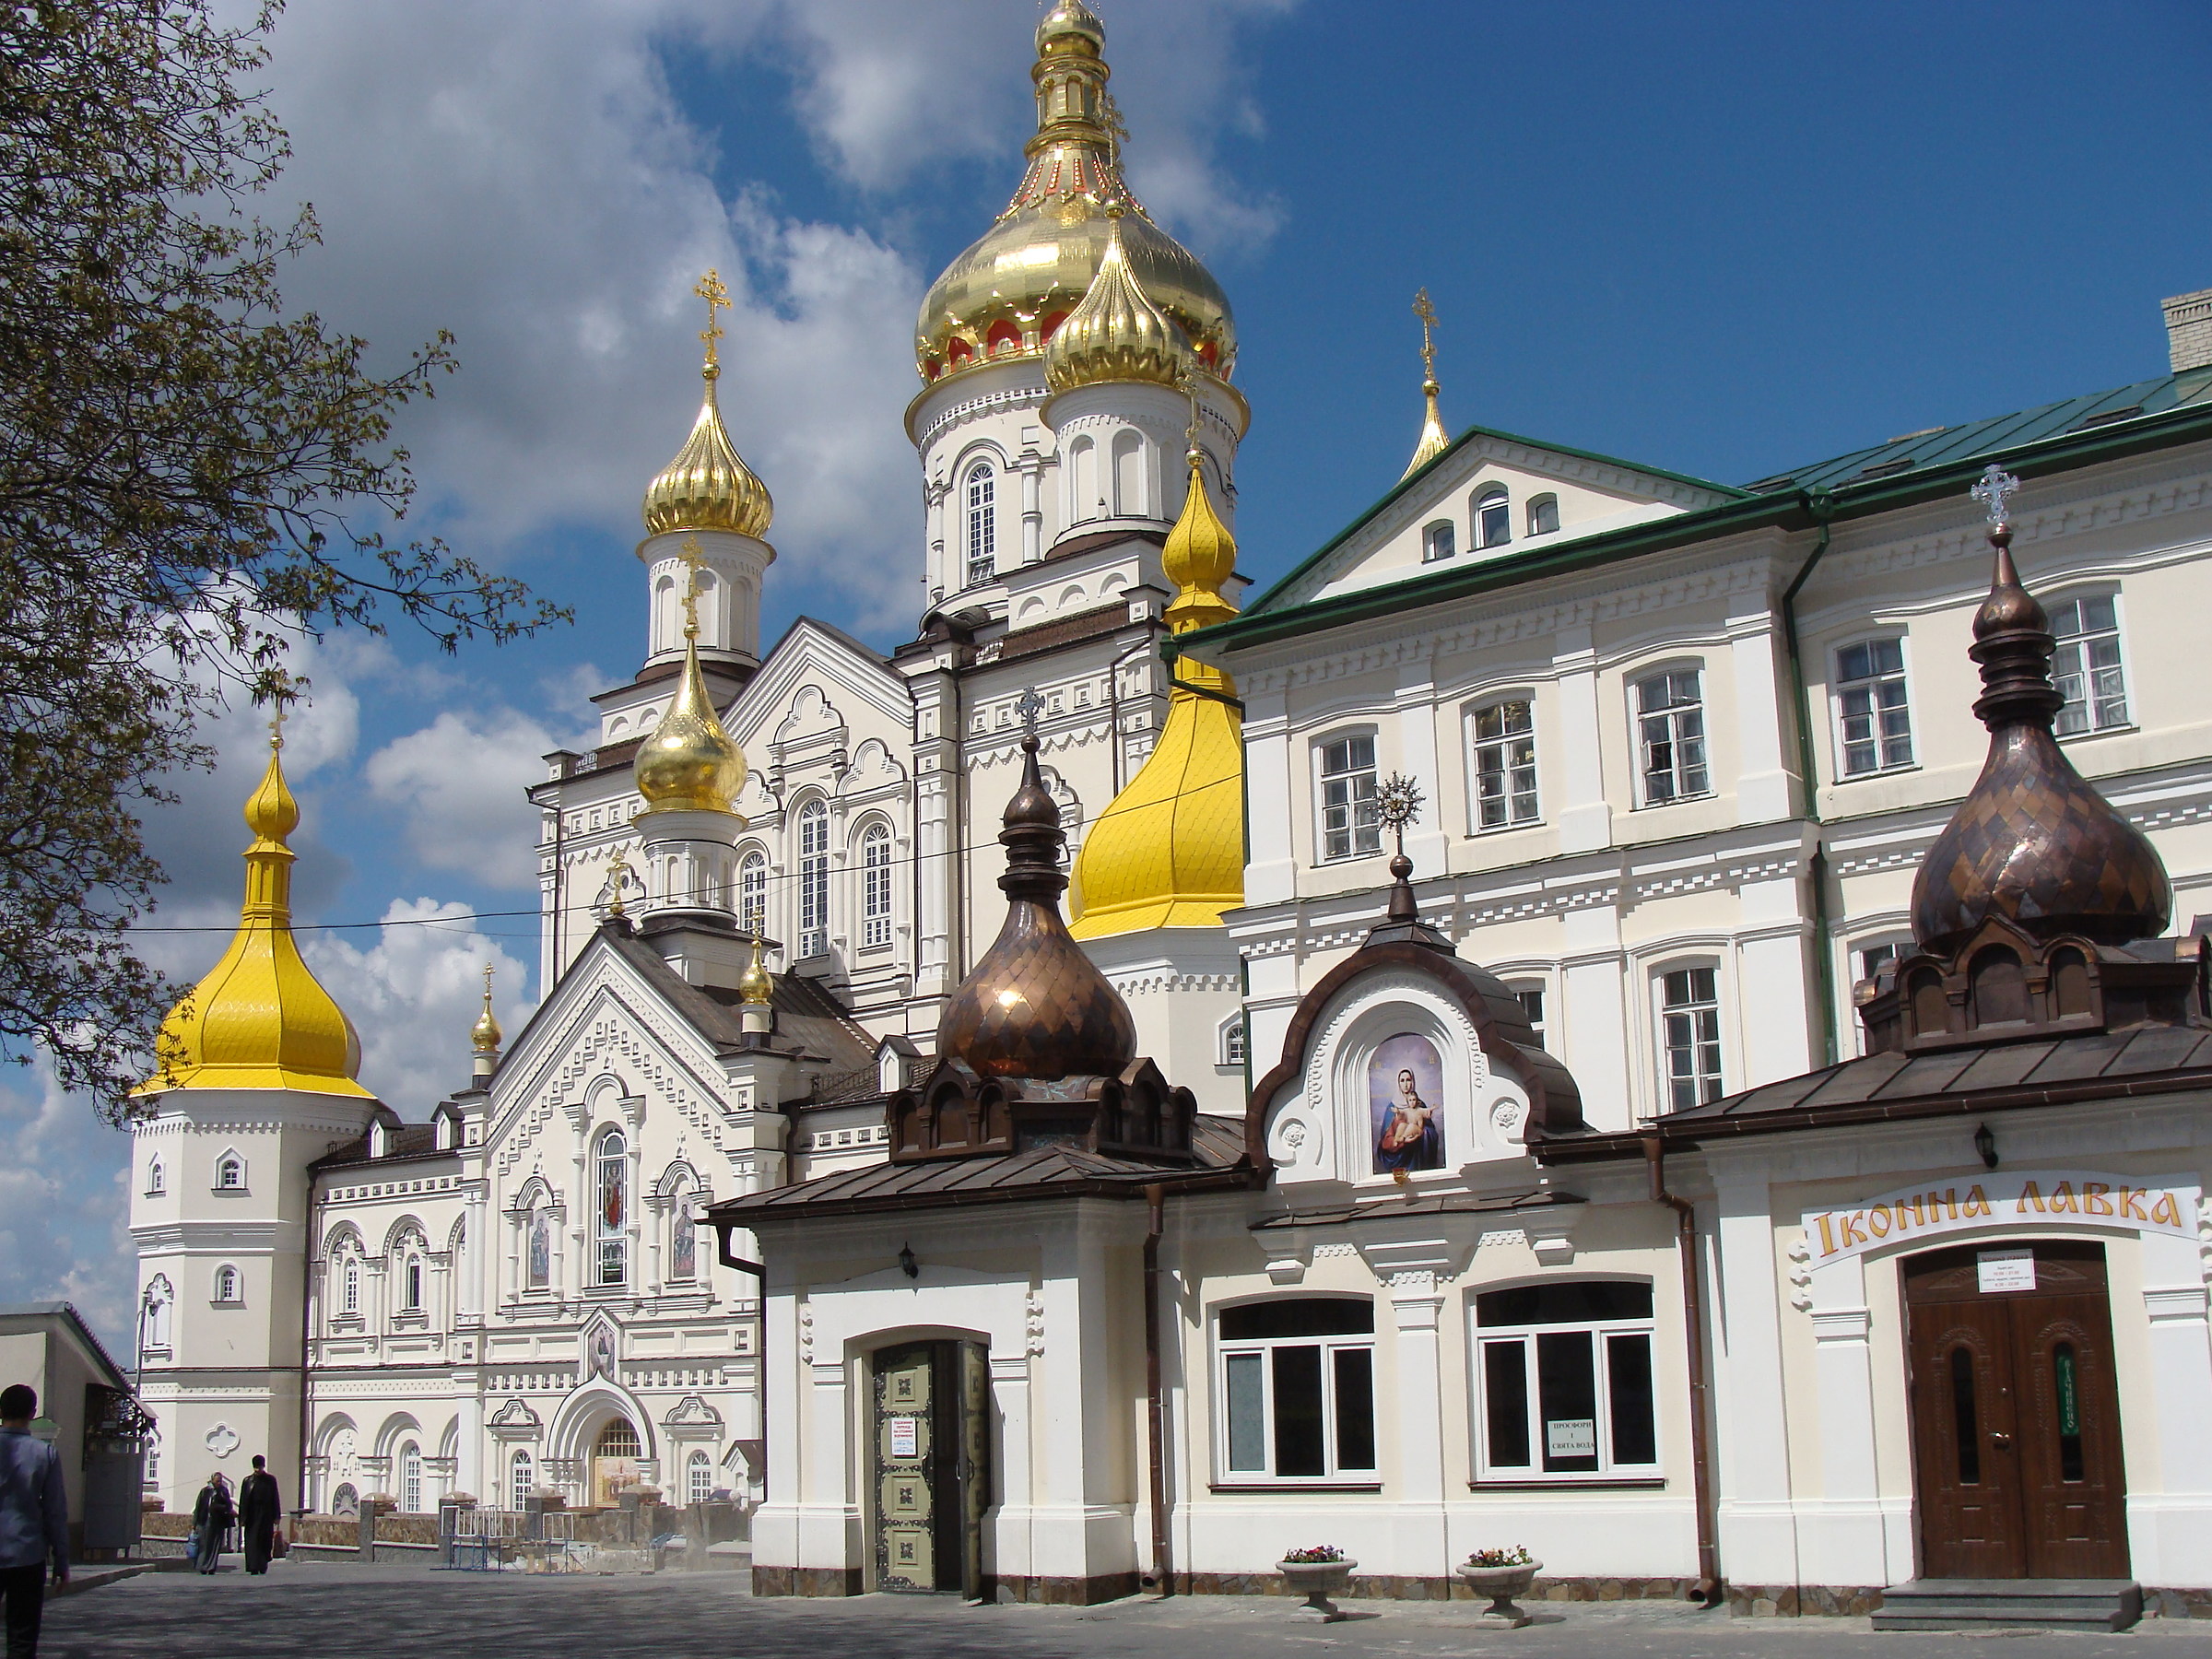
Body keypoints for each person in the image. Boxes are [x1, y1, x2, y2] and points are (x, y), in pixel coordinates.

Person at [0, 1382, 68, 1659]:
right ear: (33, 1413)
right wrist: (61, 1559)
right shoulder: (44, 1453)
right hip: (27, 1555)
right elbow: (54, 1511)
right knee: (22, 1637)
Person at [1374, 1065, 1442, 1172]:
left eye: (1408, 1080)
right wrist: (1400, 1143)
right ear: (1398, 1084)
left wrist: (1419, 1135)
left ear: (1412, 1082)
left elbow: (1432, 1134)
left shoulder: (1420, 1105)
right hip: (1399, 1156)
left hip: (1417, 1156)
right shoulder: (1392, 1107)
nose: (1405, 1084)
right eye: (1402, 1081)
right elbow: (1385, 1140)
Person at [237, 1457, 279, 1574]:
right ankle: (253, 1566)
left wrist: (277, 1516)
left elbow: (275, 1498)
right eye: (256, 1468)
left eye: (259, 1468)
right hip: (252, 1516)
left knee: (265, 1541)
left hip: (266, 1515)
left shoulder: (270, 1480)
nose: (258, 1470)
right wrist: (242, 1518)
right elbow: (243, 1501)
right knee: (252, 1541)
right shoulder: (248, 1481)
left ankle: (263, 1563)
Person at [191, 1472, 233, 1574]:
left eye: (220, 1480)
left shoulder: (223, 1491)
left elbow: (228, 1506)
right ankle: (203, 1566)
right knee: (204, 1545)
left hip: (218, 1522)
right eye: (217, 1480)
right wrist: (195, 1523)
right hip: (205, 1521)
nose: (219, 1482)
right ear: (212, 1480)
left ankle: (211, 1567)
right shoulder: (205, 1492)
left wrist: (219, 1507)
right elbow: (198, 1507)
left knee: (215, 1545)